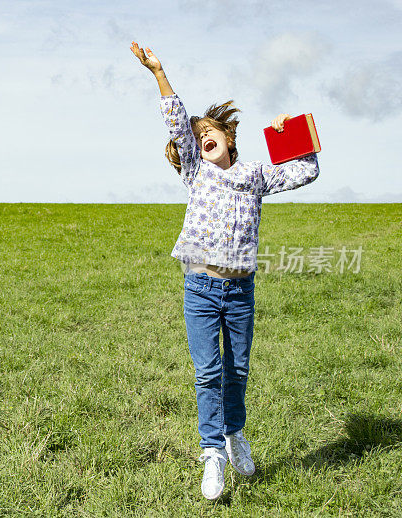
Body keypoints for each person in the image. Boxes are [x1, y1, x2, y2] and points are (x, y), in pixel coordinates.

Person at [130, 41, 320, 500]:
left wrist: (288, 132)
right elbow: (177, 119)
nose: (201, 137)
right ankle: (212, 454)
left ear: (229, 138)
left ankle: (235, 433)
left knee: (236, 371)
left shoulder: (254, 173)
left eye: (209, 131)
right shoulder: (196, 172)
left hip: (240, 291)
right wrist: (159, 72)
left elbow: (306, 171)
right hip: (199, 285)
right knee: (207, 372)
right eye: (196, 138)